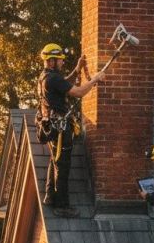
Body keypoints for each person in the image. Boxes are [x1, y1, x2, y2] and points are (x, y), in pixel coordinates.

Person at [37, 43, 105, 218]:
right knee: (63, 165)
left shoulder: (46, 77)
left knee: (55, 161)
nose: (61, 63)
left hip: (51, 127)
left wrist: (77, 69)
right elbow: (79, 92)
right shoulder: (53, 78)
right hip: (59, 128)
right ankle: (62, 205)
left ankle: (50, 196)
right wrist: (95, 79)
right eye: (59, 60)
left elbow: (65, 85)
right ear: (51, 60)